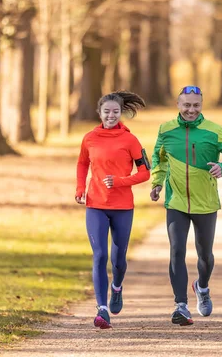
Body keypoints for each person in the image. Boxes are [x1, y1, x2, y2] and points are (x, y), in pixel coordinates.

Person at [150, 85, 222, 326]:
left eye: (196, 105)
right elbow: (159, 159)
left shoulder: (214, 131)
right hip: (176, 201)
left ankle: (202, 287)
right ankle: (180, 305)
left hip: (206, 202)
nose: (191, 110)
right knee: (177, 250)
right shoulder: (166, 130)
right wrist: (157, 184)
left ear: (201, 105)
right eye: (186, 105)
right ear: (178, 105)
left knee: (205, 256)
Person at [75, 90, 151, 329]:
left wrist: (120, 181)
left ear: (121, 114)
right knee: (99, 255)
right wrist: (80, 187)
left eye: (115, 112)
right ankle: (102, 309)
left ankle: (116, 287)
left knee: (118, 260)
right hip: (96, 204)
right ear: (99, 112)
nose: (110, 115)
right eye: (106, 111)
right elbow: (83, 162)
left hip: (122, 207)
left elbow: (145, 172)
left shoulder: (131, 141)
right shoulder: (89, 138)